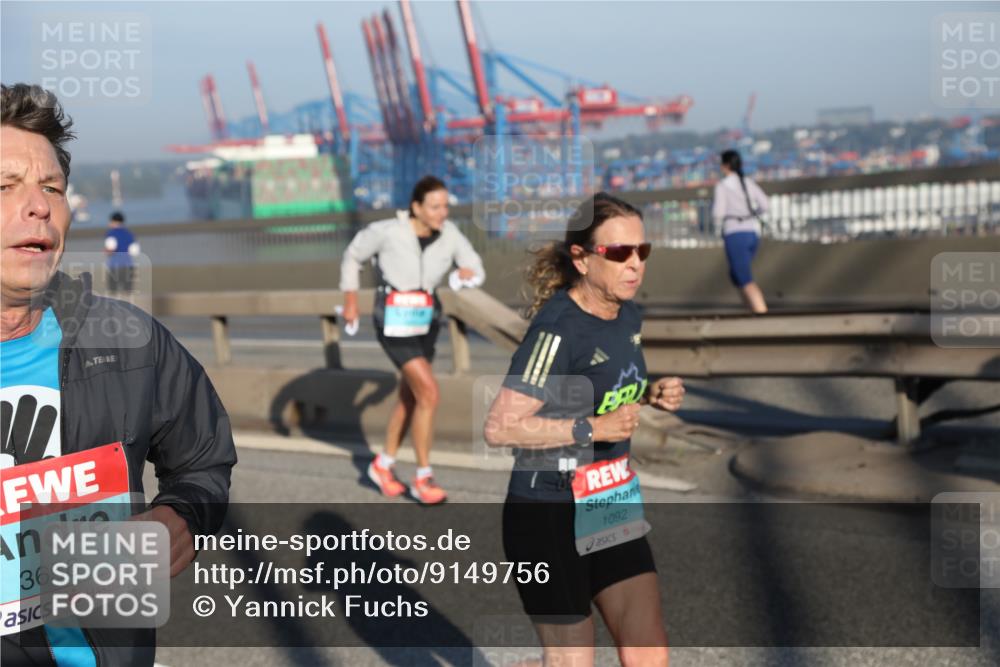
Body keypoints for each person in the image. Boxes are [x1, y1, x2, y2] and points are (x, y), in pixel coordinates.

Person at [1, 83, 237, 665]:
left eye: (51, 187)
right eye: (6, 186)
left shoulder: (129, 341)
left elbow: (203, 460)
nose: (39, 206)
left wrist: (180, 516)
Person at [484, 192, 685, 667]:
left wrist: (649, 393)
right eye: (618, 253)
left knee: (648, 653)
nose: (634, 263)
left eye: (642, 251)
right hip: (548, 511)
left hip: (608, 498)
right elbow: (500, 427)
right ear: (582, 258)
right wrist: (593, 427)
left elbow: (602, 388)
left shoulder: (626, 312)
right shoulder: (556, 331)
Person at [340, 175, 485, 504]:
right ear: (416, 207)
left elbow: (474, 264)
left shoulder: (449, 234)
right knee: (429, 393)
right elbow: (352, 255)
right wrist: (350, 300)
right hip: (393, 321)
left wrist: (468, 274)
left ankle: (383, 465)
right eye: (435, 206)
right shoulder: (388, 231)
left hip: (427, 321)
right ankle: (423, 477)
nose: (442, 212)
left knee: (412, 397)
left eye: (446, 205)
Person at [712, 149, 769, 313]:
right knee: (737, 275)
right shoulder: (748, 182)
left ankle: (761, 315)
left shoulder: (723, 186)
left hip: (734, 233)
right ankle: (751, 311)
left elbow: (718, 213)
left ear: (726, 166)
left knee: (744, 278)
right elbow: (765, 205)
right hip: (752, 232)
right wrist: (751, 215)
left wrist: (717, 227)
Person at [104, 209, 139, 294]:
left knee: (113, 291)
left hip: (115, 266)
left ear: (114, 221)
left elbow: (111, 249)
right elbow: (135, 251)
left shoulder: (111, 233)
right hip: (128, 266)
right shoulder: (129, 234)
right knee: (128, 291)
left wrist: (105, 252)